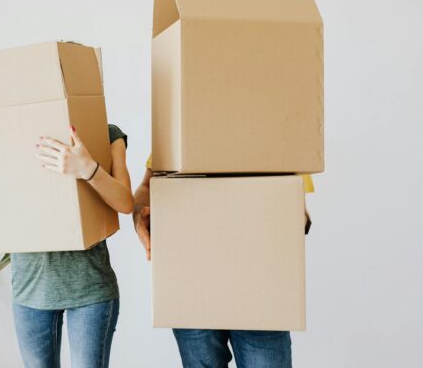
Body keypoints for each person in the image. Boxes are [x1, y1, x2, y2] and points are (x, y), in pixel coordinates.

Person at [0, 124, 133, 368]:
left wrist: (88, 169)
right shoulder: (3, 133)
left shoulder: (106, 133)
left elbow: (125, 202)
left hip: (90, 288)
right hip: (30, 290)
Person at [132, 155, 313, 368]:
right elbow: (146, 186)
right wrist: (139, 217)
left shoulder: (276, 132)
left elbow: (296, 203)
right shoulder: (182, 126)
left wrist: (292, 219)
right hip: (192, 285)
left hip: (259, 289)